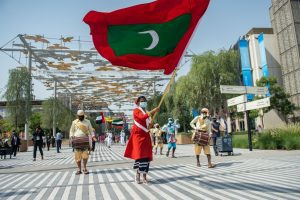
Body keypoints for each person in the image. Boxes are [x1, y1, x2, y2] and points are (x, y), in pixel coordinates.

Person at [124, 96, 159, 184]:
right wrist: (153, 111)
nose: (144, 102)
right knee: (139, 155)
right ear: (138, 103)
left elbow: (149, 125)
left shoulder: (146, 112)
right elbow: (142, 117)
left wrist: (151, 124)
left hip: (146, 135)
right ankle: (137, 175)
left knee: (146, 155)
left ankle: (144, 176)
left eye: (145, 101)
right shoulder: (136, 111)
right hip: (138, 136)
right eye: (142, 101)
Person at [70, 110, 94, 175]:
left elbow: (91, 130)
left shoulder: (88, 122)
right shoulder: (74, 122)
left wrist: (93, 137)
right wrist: (72, 137)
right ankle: (79, 169)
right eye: (79, 116)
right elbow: (71, 131)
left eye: (82, 116)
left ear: (83, 115)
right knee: (77, 157)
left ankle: (85, 168)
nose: (81, 117)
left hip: (85, 141)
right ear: (78, 116)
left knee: (85, 156)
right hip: (77, 141)